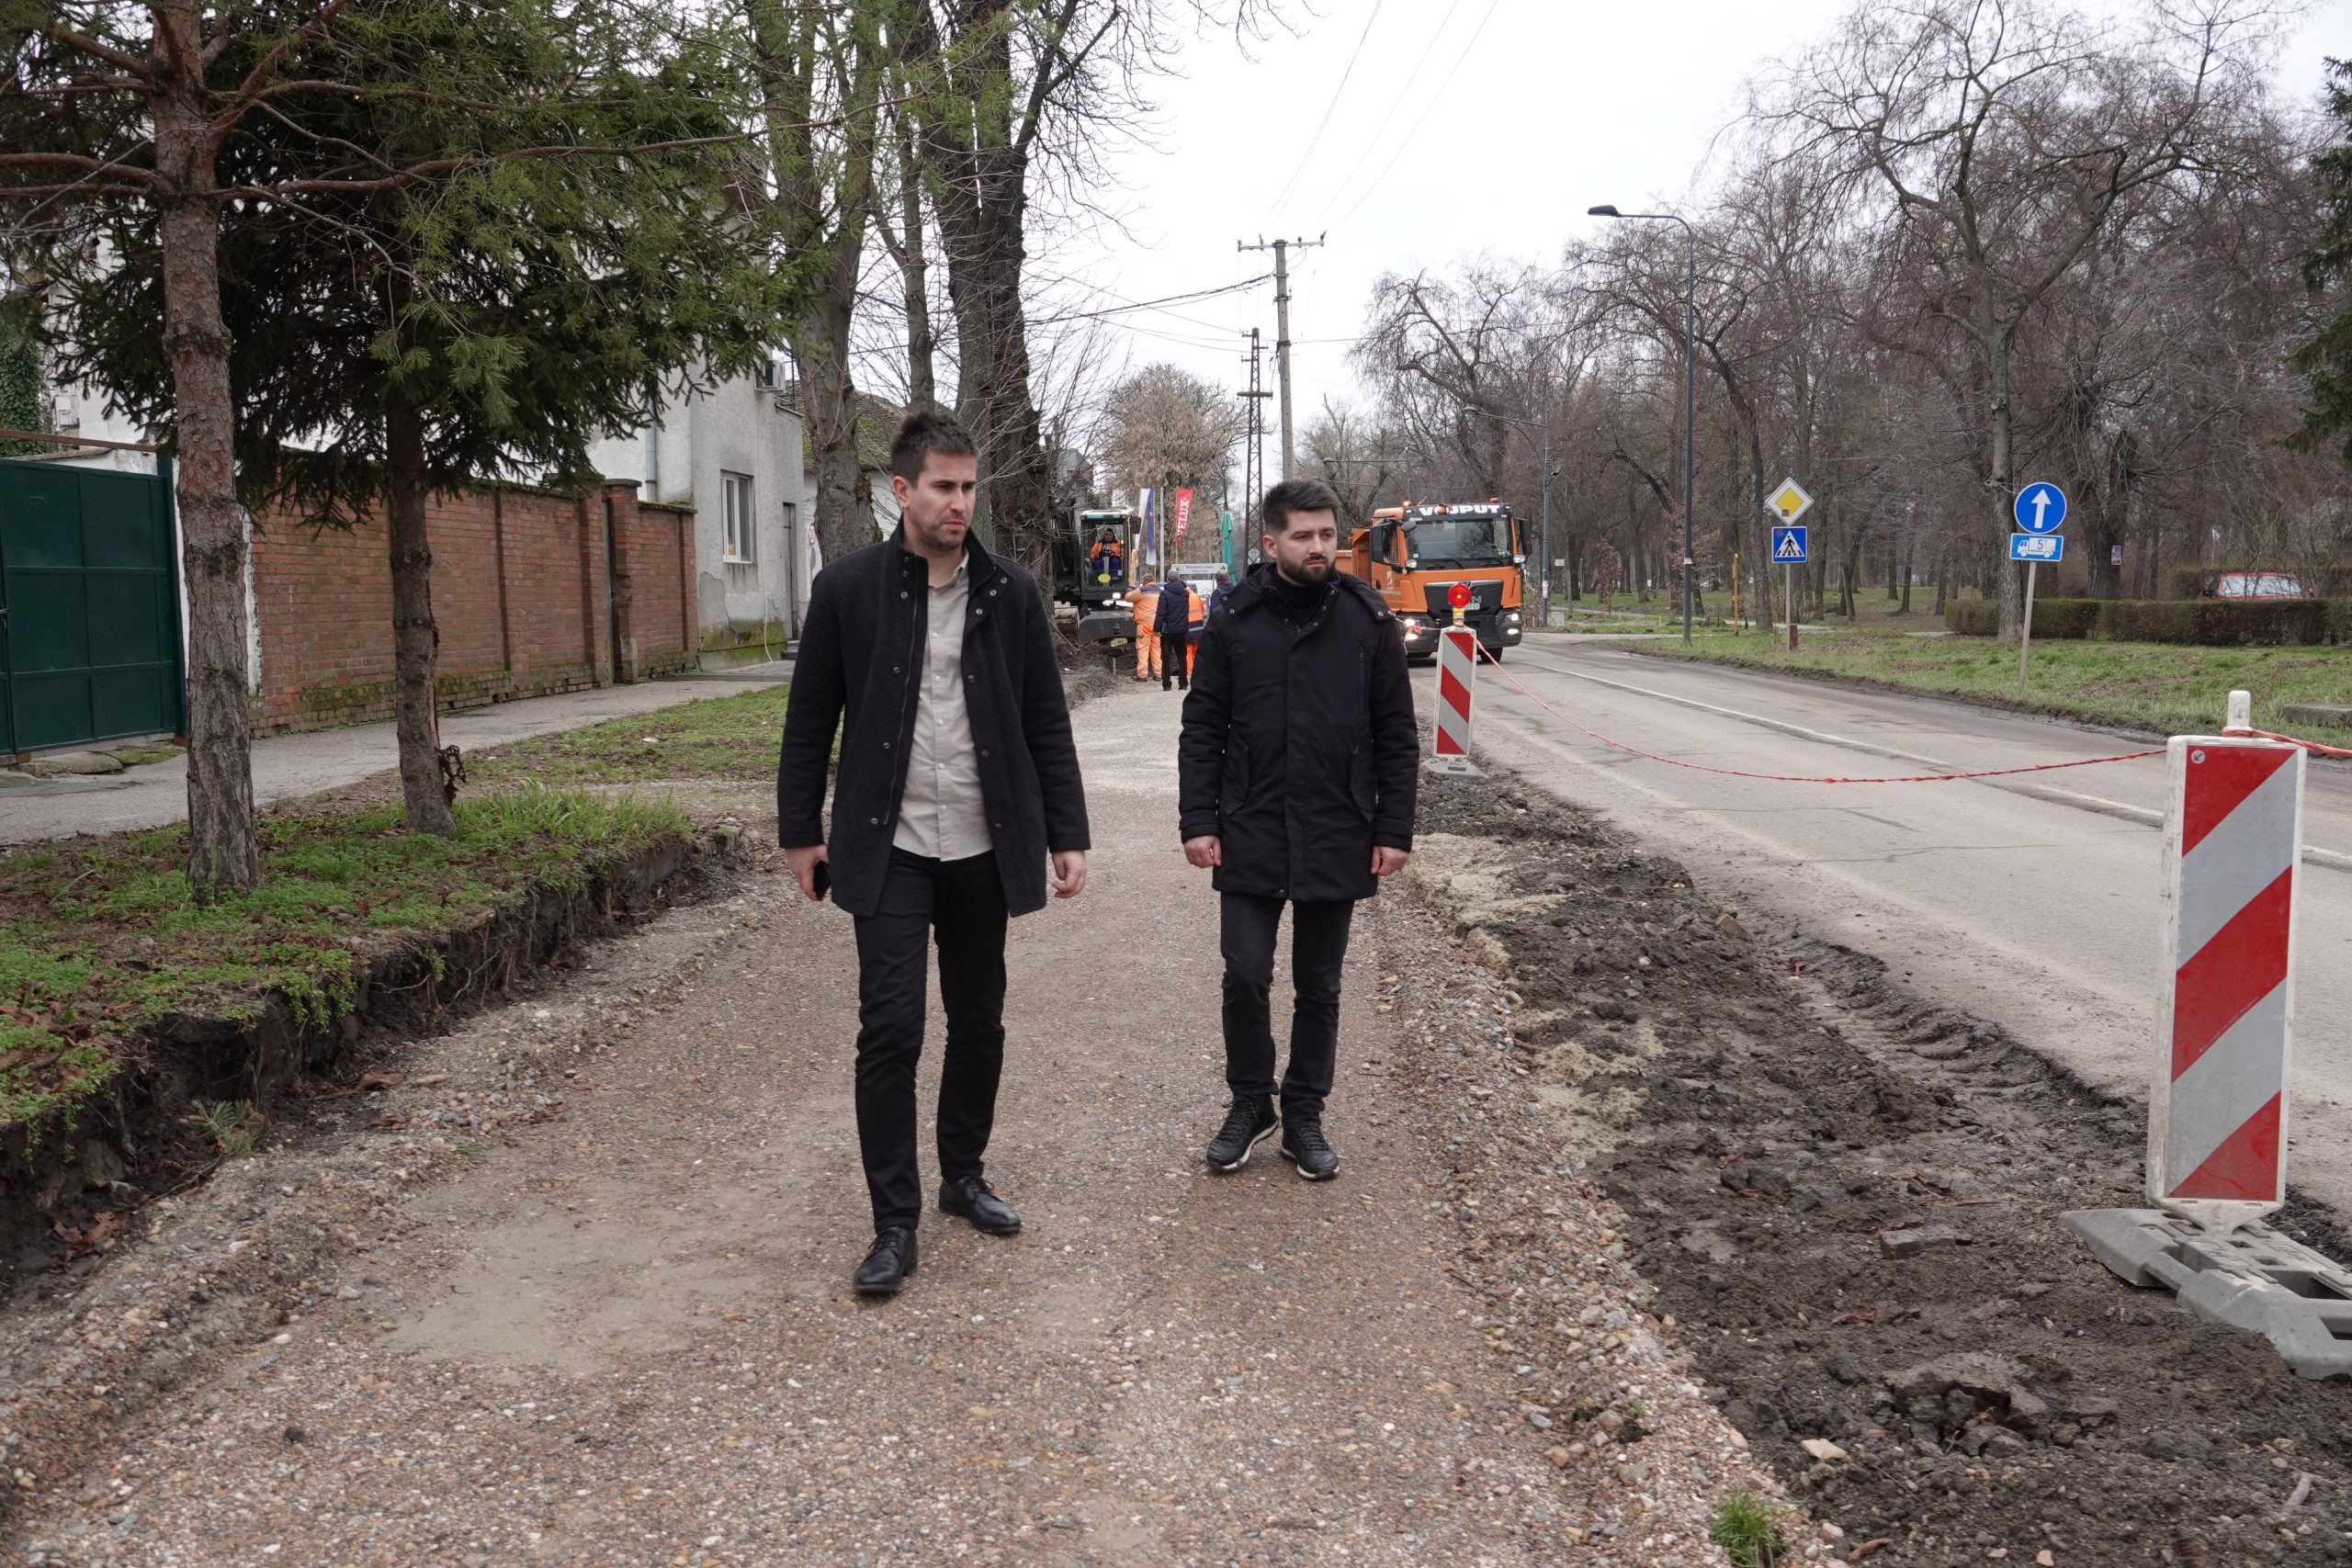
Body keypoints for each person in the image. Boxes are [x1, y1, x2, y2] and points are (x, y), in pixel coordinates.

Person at [775, 411, 1091, 1296]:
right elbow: (810, 719)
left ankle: (963, 1173)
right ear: (902, 489)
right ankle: (893, 1221)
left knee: (979, 1018)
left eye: (969, 486)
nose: (960, 502)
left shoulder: (1010, 592)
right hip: (890, 845)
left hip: (986, 845)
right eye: (943, 486)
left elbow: (1045, 721)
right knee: (890, 1028)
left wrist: (1067, 833)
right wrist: (800, 831)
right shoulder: (847, 590)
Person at [1177, 479, 1418, 1181]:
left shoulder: (1368, 621)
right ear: (1271, 541)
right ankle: (1252, 1102)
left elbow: (1396, 735)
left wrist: (1394, 827)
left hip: (1339, 826)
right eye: (1303, 535)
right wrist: (1198, 819)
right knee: (1245, 973)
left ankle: (1305, 1111)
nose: (1319, 547)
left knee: (1320, 982)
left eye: (1327, 534)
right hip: (1250, 823)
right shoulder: (1233, 620)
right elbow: (1202, 727)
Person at [1153, 572, 1193, 692]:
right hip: (1182, 630)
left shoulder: (1164, 594)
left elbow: (1161, 613)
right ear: (1179, 578)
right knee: (1182, 657)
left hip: (1168, 631)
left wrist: (1156, 629)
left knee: (1166, 658)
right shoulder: (1185, 593)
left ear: (1168, 579)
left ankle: (1167, 685)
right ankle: (1183, 683)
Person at [1132, 574, 1160, 682]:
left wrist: (1131, 589)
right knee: (1156, 649)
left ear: (1144, 581)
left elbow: (1128, 597)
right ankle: (1158, 674)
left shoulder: (1141, 591)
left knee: (1143, 649)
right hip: (1156, 625)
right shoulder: (1159, 591)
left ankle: (1142, 675)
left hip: (1144, 625)